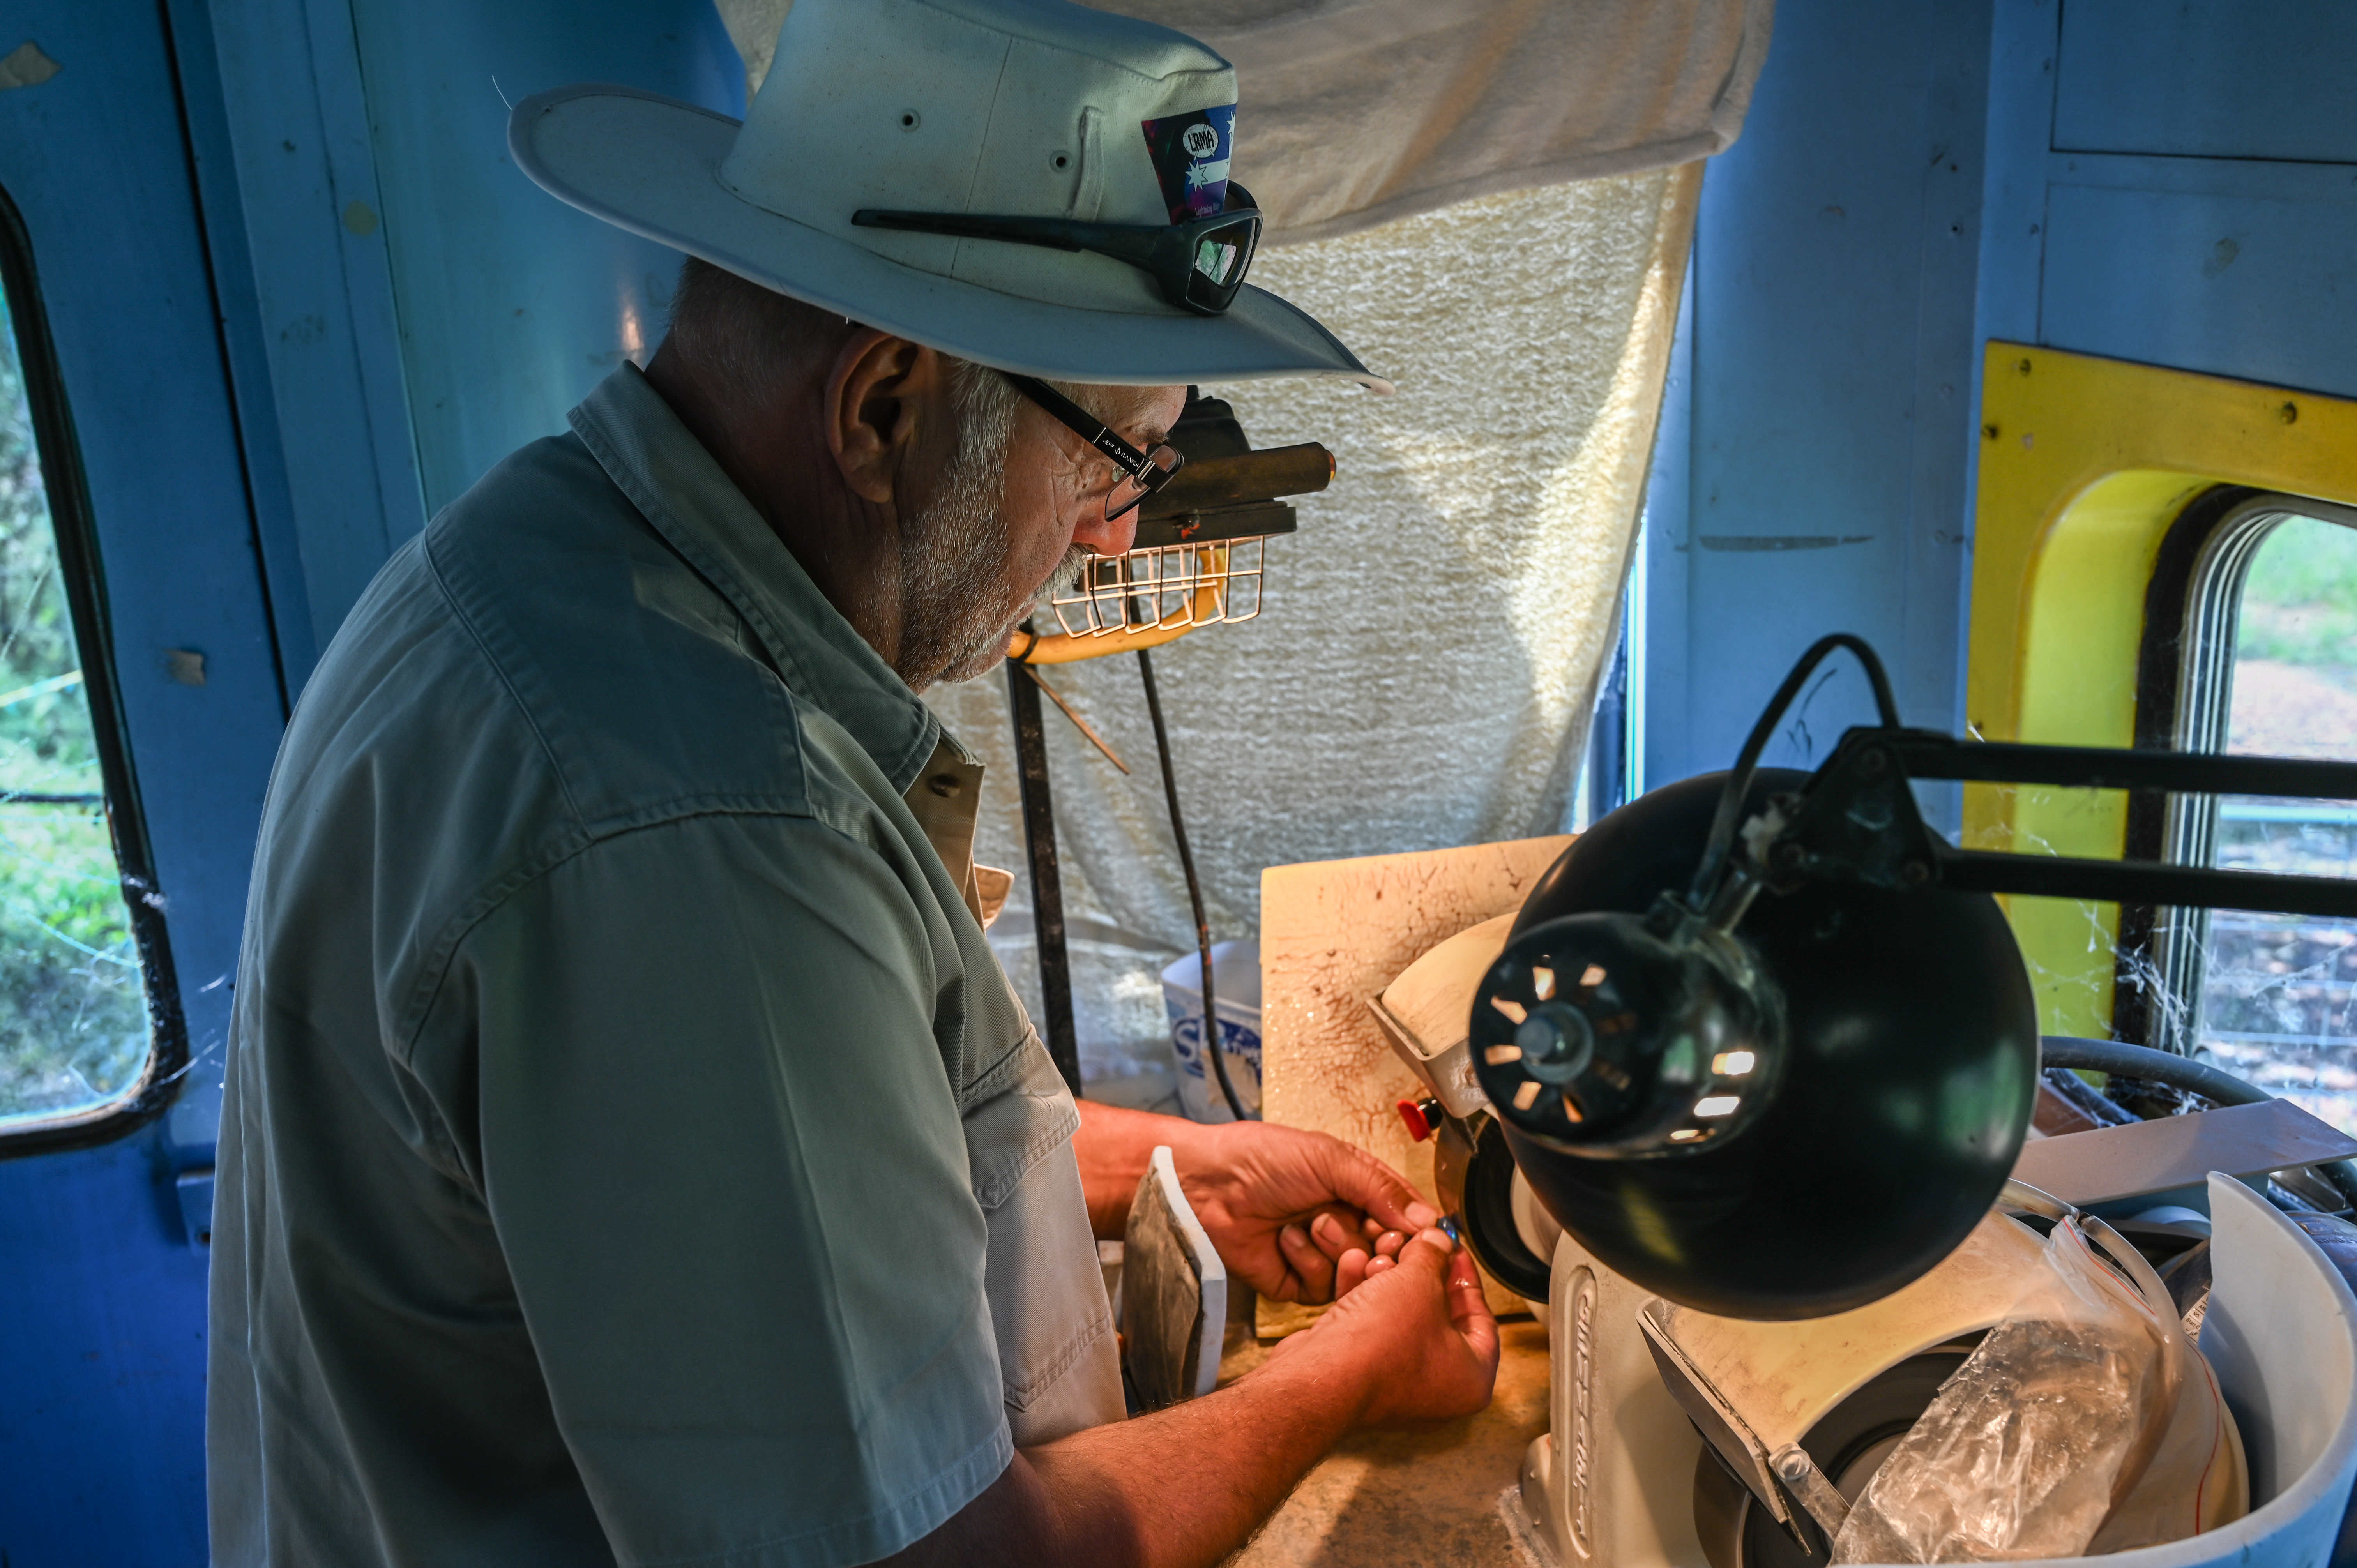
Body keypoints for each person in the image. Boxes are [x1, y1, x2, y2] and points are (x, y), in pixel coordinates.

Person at [206, 1, 1498, 1564]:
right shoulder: (701, 830)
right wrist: (1339, 1382)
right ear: (880, 406)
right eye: (1110, 456)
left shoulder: (539, 565)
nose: (1112, 528)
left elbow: (760, 1164)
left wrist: (1169, 1167)